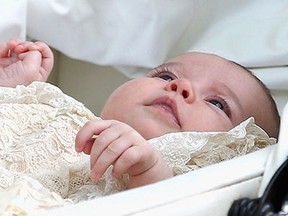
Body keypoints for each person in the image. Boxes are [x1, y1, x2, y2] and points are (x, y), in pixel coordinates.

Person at [0, 39, 280, 191]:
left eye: (217, 103)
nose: (180, 87)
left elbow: (174, 207)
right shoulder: (61, 111)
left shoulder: (179, 182)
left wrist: (149, 172)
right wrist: (17, 91)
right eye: (166, 75)